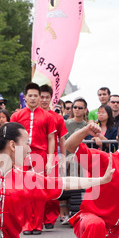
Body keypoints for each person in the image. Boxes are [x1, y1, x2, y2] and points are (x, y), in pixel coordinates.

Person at [10, 82, 57, 235]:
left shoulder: (48, 116)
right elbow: (11, 138)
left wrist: (50, 160)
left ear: (39, 97)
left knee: (38, 191)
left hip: (40, 155)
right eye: (30, 95)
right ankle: (25, 225)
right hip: (21, 155)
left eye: (35, 95)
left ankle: (37, 224)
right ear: (25, 97)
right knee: (23, 190)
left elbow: (51, 138)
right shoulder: (16, 115)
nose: (33, 98)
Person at [39, 84, 68, 229]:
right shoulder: (32, 117)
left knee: (51, 189)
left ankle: (49, 219)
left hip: (53, 157)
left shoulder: (57, 118)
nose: (44, 100)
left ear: (51, 99)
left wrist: (63, 158)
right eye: (41, 97)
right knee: (36, 188)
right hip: (35, 157)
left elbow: (62, 140)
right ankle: (36, 219)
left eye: (47, 97)